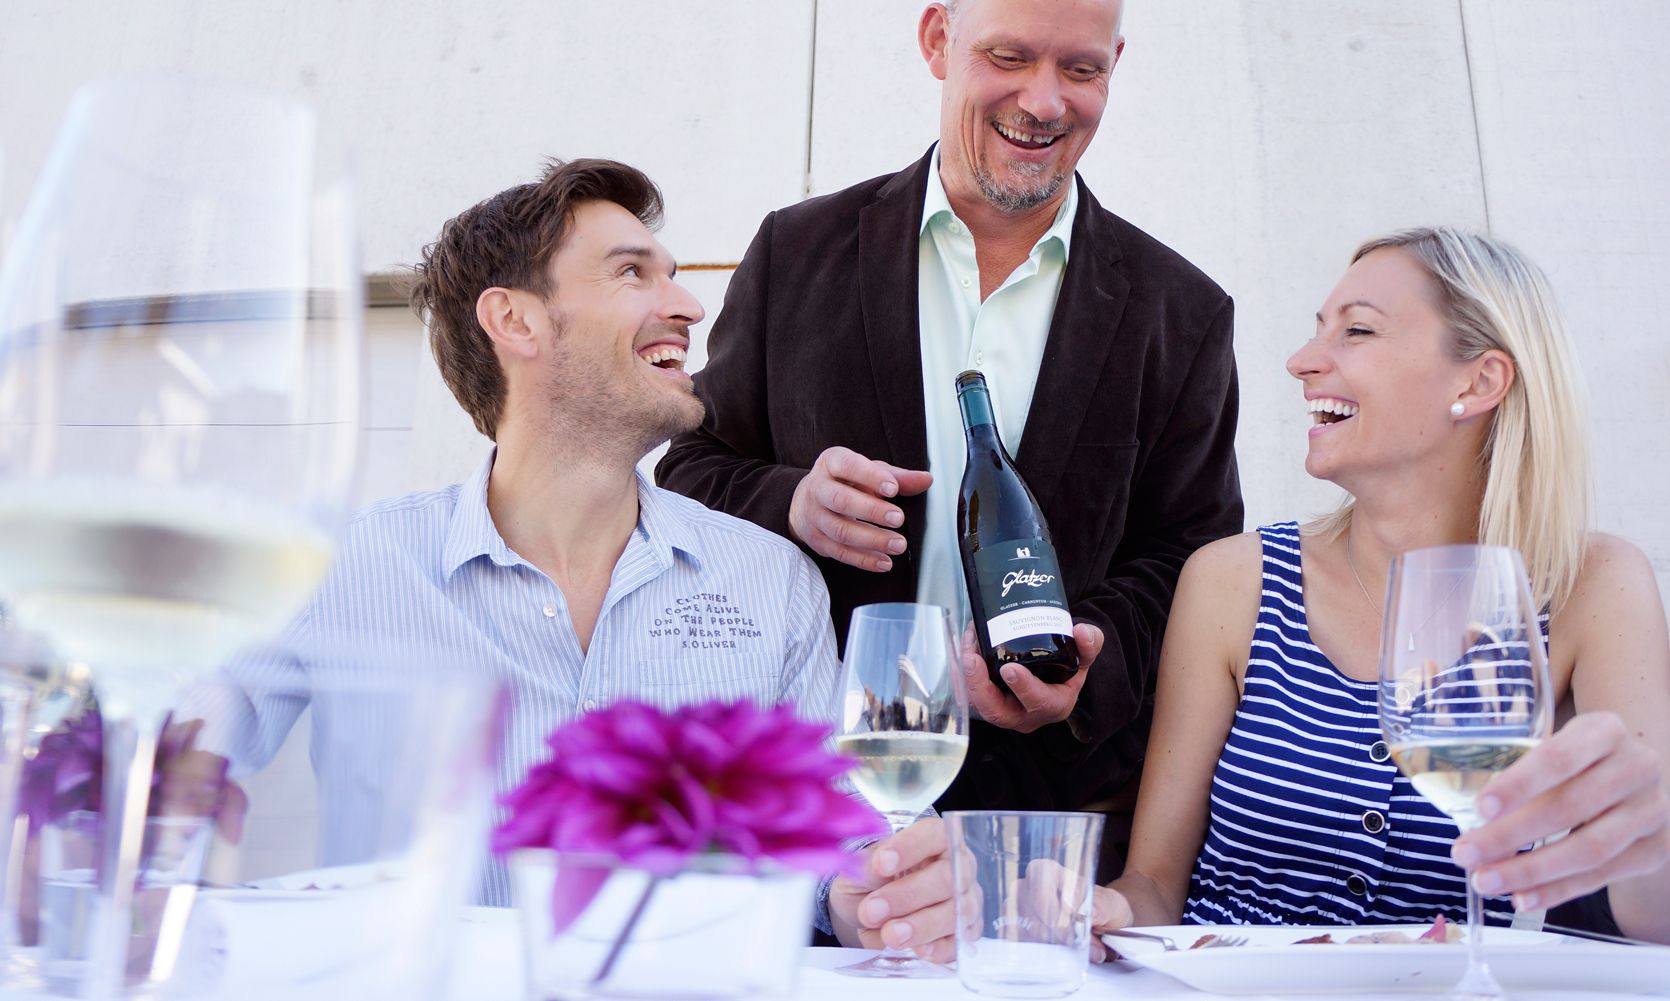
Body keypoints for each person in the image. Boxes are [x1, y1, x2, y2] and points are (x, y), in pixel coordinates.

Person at [206, 159, 960, 953]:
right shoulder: (344, 565)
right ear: (516, 320)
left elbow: (845, 840)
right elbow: (169, 753)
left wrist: (870, 893)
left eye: (670, 275)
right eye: (633, 272)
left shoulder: (772, 582)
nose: (688, 305)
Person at [656, 0, 1242, 882]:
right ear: (938, 40)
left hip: (1050, 836)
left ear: (1115, 64)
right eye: (1009, 57)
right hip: (814, 822)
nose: (1044, 102)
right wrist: (793, 504)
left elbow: (1194, 565)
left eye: (1081, 70)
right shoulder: (795, 250)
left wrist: (1085, 667)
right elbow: (687, 473)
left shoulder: (1183, 311)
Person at [1089, 228, 1670, 948]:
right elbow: (1153, 888)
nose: (1302, 362)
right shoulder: (1233, 581)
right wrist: (1108, 910)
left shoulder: (1591, 586)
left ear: (1478, 382)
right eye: (1318, 329)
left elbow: (1653, 914)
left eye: (1357, 330)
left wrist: (1651, 838)